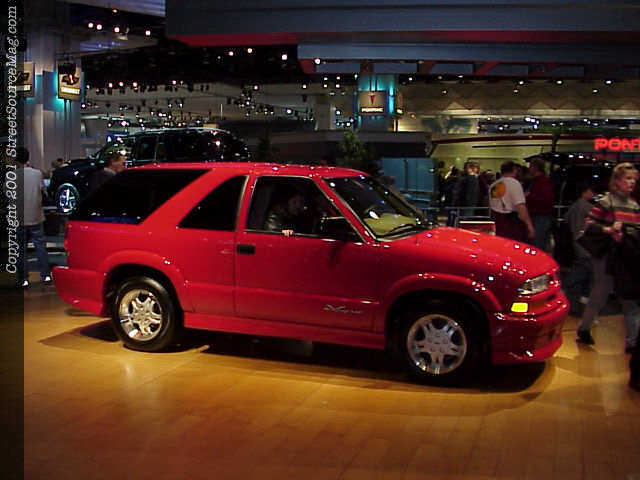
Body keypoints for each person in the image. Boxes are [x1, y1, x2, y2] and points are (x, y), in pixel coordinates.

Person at [576, 163, 640, 352]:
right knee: (601, 293)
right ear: (617, 181)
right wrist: (609, 230)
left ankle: (632, 342)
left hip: (626, 257)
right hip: (607, 255)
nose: (632, 182)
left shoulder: (635, 206)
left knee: (629, 298)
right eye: (628, 178)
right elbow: (588, 225)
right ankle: (585, 328)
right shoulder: (606, 202)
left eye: (634, 179)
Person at [15, 147, 51, 287]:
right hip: (36, 216)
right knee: (40, 247)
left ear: (16, 160)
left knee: (21, 249)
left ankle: (23, 279)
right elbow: (43, 191)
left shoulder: (12, 176)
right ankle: (45, 275)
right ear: (28, 158)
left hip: (19, 217)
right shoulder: (37, 174)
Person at [562, 182, 595, 313]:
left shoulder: (574, 206)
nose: (592, 194)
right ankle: (570, 290)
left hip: (576, 242)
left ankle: (581, 298)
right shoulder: (589, 207)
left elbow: (566, 219)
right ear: (585, 192)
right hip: (587, 244)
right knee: (586, 270)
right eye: (590, 191)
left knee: (585, 269)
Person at [489, 161, 535, 242]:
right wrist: (529, 226)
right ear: (514, 170)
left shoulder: (494, 185)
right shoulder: (514, 183)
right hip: (511, 223)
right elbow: (520, 206)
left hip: (498, 222)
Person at [526, 157, 555, 251]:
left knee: (537, 244)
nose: (529, 168)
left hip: (539, 217)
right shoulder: (539, 181)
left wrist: (528, 197)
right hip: (539, 216)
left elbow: (546, 200)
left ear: (535, 167)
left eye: (530, 166)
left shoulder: (541, 182)